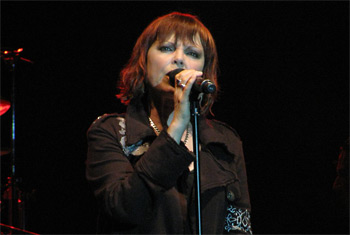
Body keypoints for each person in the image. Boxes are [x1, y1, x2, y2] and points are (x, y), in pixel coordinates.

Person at [86, 12, 252, 234]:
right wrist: (176, 126)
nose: (179, 59)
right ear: (144, 61)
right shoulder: (112, 132)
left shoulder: (225, 142)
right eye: (166, 48)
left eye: (192, 53)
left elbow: (238, 226)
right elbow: (124, 207)